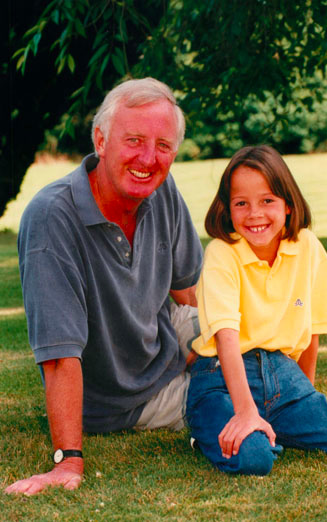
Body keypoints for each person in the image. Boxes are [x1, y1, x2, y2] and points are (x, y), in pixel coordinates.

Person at [5, 77, 203, 495]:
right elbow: (60, 356)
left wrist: (207, 347)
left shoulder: (162, 190)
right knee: (241, 400)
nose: (149, 158)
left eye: (163, 146)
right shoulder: (51, 219)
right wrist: (68, 461)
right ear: (100, 139)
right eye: (134, 140)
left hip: (166, 339)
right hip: (128, 397)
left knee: (253, 353)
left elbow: (189, 291)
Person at [186, 145, 327, 476]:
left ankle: (305, 419)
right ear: (227, 208)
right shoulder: (222, 253)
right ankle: (210, 430)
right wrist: (245, 411)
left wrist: (308, 397)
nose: (254, 214)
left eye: (267, 201)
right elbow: (226, 339)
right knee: (254, 458)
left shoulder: (309, 249)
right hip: (221, 376)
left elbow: (312, 332)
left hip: (283, 377)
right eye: (241, 203)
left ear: (288, 204)